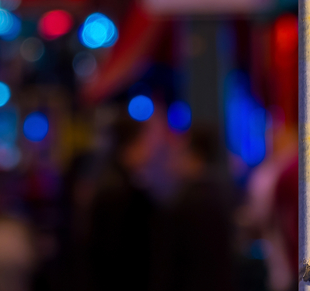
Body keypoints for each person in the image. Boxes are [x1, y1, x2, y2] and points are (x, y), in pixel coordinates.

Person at [152, 126, 235, 291]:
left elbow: (170, 265)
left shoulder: (184, 203)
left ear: (195, 157)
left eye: (179, 152)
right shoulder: (222, 194)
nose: (173, 159)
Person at [87, 118, 157, 291]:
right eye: (143, 143)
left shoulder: (113, 182)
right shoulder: (120, 190)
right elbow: (119, 252)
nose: (148, 151)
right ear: (128, 147)